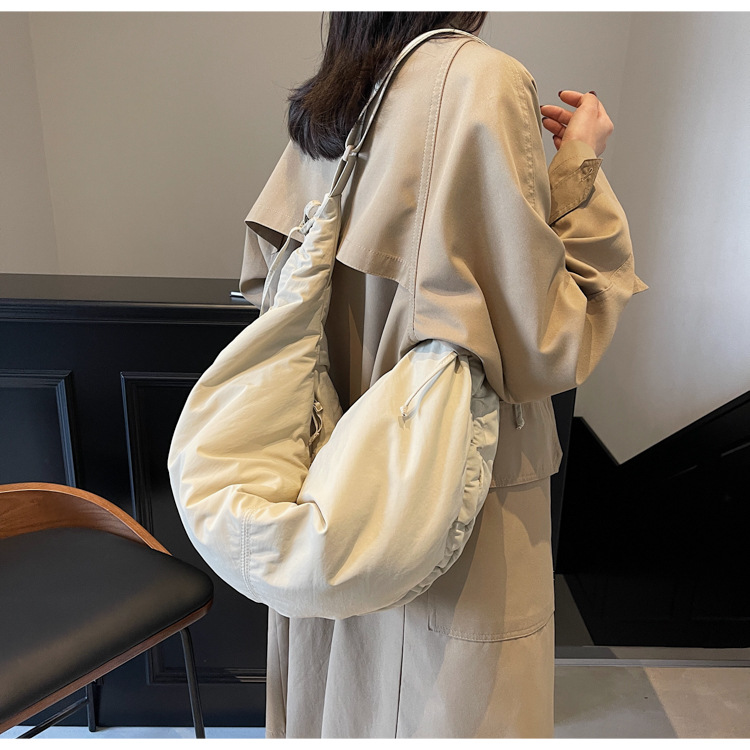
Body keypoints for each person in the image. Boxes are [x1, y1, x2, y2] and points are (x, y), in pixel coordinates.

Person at [239, 11, 646, 739]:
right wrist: (581, 161)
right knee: (451, 699)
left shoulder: (334, 95)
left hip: (331, 466)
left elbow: (273, 278)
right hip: (459, 474)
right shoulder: (485, 81)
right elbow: (547, 339)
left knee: (347, 689)